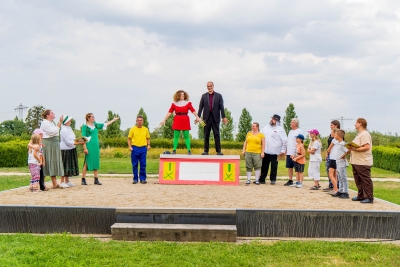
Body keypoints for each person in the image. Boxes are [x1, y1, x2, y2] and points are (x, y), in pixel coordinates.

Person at [81, 113, 119, 185]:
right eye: (92, 117)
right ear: (88, 118)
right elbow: (83, 138)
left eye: (93, 117)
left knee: (96, 161)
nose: (93, 118)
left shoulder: (95, 125)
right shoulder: (85, 127)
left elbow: (105, 124)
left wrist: (113, 120)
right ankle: (83, 179)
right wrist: (85, 148)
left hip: (95, 146)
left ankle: (96, 179)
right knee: (87, 162)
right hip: (89, 145)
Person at [161, 90, 203, 155]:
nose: (183, 96)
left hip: (185, 119)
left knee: (186, 136)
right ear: (178, 96)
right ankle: (174, 150)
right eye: (181, 95)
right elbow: (169, 112)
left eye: (183, 94)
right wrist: (164, 119)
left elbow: (193, 110)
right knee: (176, 136)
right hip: (177, 119)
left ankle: (189, 150)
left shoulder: (188, 103)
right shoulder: (174, 104)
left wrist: (197, 117)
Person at [197, 81, 228, 155]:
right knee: (206, 134)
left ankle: (218, 151)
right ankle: (206, 151)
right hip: (206, 118)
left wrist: (223, 117)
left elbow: (221, 107)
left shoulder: (219, 96)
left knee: (216, 135)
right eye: (208, 86)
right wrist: (198, 117)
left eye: (210, 86)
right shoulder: (204, 96)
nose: (209, 87)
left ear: (213, 86)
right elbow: (201, 107)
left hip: (215, 118)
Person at [348, 118, 374, 204]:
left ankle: (369, 197)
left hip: (363, 161)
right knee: (358, 180)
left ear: (360, 124)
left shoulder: (365, 134)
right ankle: (361, 195)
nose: (354, 124)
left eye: (356, 123)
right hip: (356, 161)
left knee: (365, 180)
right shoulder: (359, 134)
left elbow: (367, 147)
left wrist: (354, 148)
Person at [60, 116, 87, 188]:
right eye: (69, 120)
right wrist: (80, 143)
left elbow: (73, 138)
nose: (71, 121)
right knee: (65, 165)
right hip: (65, 149)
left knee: (69, 165)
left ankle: (67, 180)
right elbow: (68, 142)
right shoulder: (63, 130)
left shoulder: (69, 128)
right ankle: (62, 181)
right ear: (66, 122)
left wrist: (79, 140)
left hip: (71, 148)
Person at [259, 114, 287, 185]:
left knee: (274, 166)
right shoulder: (266, 127)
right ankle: (262, 179)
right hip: (266, 150)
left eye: (274, 119)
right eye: (272, 118)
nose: (272, 120)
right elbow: (260, 135)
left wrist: (283, 150)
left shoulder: (280, 129)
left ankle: (273, 179)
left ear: (277, 121)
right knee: (264, 166)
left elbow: (285, 140)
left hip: (275, 151)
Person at [40, 109, 64, 189]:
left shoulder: (51, 123)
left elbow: (55, 131)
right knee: (46, 162)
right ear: (47, 115)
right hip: (48, 143)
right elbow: (53, 132)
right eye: (52, 113)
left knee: (53, 161)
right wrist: (59, 123)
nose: (54, 114)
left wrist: (58, 124)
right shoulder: (45, 123)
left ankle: (54, 183)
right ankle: (41, 184)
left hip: (54, 142)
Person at [128, 115, 151, 184]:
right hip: (134, 148)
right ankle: (135, 179)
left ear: (143, 121)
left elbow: (148, 138)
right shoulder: (132, 129)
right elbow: (129, 138)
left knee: (143, 164)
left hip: (143, 148)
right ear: (136, 121)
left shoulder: (145, 129)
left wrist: (148, 145)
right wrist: (130, 146)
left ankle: (142, 179)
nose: (140, 122)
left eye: (141, 120)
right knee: (135, 164)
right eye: (138, 120)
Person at [284, 118, 303, 186]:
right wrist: (286, 150)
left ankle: (298, 181)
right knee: (290, 167)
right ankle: (290, 180)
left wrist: (297, 152)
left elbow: (301, 142)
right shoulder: (290, 131)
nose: (290, 123)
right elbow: (288, 141)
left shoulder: (299, 131)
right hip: (289, 152)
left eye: (292, 122)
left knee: (297, 168)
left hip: (295, 152)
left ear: (296, 124)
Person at [331, 129, 349, 199]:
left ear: (339, 136)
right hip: (338, 162)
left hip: (341, 163)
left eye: (335, 135)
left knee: (343, 177)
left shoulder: (343, 144)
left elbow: (348, 150)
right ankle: (340, 190)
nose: (334, 136)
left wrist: (343, 156)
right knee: (340, 177)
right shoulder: (338, 143)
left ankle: (345, 192)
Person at [323, 120, 341, 191]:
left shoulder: (337, 136)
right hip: (332, 155)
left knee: (332, 173)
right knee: (332, 173)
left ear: (336, 126)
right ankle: (333, 186)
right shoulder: (332, 135)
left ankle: (335, 187)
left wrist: (327, 152)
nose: (330, 126)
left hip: (334, 156)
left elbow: (330, 148)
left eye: (331, 125)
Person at [326, 129, 340, 195]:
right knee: (335, 175)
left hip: (332, 158)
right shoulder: (339, 140)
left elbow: (329, 149)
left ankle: (336, 189)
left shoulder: (333, 140)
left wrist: (327, 152)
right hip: (336, 158)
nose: (331, 133)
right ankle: (335, 188)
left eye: (332, 132)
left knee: (330, 175)